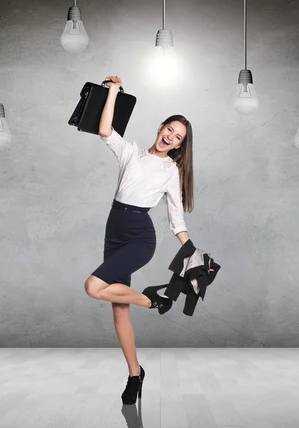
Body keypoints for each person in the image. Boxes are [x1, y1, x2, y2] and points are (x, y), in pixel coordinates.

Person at [84, 75, 195, 405]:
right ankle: (135, 373)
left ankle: (153, 301)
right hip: (113, 229)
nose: (169, 138)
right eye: (169, 130)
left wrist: (191, 251)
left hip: (139, 236)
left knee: (93, 287)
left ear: (178, 146)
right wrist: (114, 92)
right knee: (119, 311)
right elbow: (105, 130)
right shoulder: (130, 152)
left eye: (176, 138)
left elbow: (176, 218)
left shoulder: (171, 171)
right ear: (160, 126)